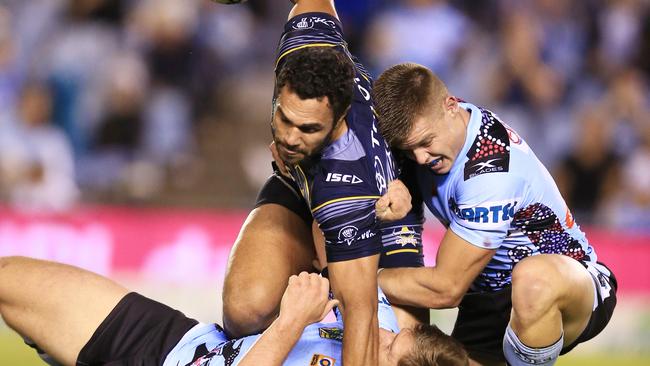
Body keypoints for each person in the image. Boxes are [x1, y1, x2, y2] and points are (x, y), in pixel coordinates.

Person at [221, 1, 427, 365]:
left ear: (339, 119)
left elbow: (359, 312)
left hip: (381, 215)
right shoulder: (306, 47)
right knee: (245, 310)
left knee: (395, 348)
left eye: (309, 128)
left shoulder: (345, 188)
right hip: (305, 184)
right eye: (284, 118)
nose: (289, 138)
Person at [371, 63, 617, 366]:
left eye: (425, 143)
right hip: (488, 301)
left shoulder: (491, 175)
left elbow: (444, 289)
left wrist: (362, 278)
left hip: (571, 285)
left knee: (533, 280)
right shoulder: (445, 120)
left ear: (451, 105)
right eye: (408, 150)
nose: (421, 158)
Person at [0, 256, 469, 366]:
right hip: (171, 347)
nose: (375, 337)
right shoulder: (380, 324)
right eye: (389, 336)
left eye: (386, 350)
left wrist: (290, 321)